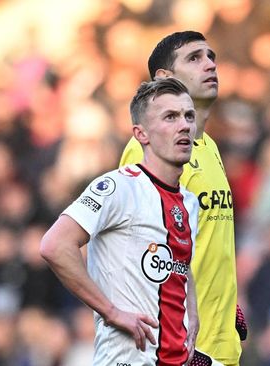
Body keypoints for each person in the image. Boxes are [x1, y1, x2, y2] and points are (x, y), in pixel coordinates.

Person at [40, 77, 200, 365]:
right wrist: (110, 311)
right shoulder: (118, 187)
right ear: (141, 134)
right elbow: (55, 245)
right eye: (170, 117)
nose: (184, 125)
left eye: (189, 115)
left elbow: (181, 264)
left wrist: (192, 312)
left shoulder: (189, 201)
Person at [119, 31, 245, 366]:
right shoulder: (149, 147)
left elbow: (202, 240)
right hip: (182, 348)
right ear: (165, 78)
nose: (210, 64)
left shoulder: (209, 147)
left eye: (211, 56)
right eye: (194, 58)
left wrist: (226, 300)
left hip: (221, 344)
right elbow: (139, 252)